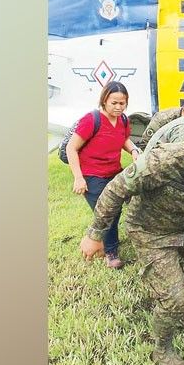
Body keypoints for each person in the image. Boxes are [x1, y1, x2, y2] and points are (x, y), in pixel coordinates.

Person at [79, 113, 184, 365]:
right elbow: (115, 189)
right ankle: (162, 350)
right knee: (173, 299)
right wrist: (95, 233)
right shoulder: (163, 160)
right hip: (150, 231)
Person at [65, 81, 141, 269]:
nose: (118, 107)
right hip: (92, 176)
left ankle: (107, 242)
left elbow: (123, 139)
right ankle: (110, 252)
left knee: (114, 210)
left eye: (122, 103)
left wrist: (133, 150)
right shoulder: (92, 120)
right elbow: (71, 148)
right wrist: (78, 177)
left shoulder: (123, 120)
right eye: (114, 103)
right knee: (107, 212)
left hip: (113, 172)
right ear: (104, 100)